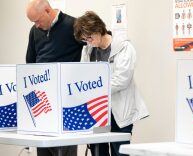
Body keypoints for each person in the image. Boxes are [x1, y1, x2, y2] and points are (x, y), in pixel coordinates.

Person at [73, 11, 149, 156]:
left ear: (98, 29)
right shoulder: (88, 50)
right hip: (98, 111)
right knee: (98, 152)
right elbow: (83, 75)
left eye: (89, 37)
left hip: (120, 110)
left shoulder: (124, 47)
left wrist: (94, 90)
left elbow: (121, 81)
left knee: (119, 152)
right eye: (85, 39)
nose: (88, 42)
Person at [25, 0, 83, 156]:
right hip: (41, 102)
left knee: (65, 151)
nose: (36, 25)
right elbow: (30, 63)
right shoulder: (34, 31)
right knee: (43, 150)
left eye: (37, 20)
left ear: (47, 10)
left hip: (65, 103)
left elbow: (97, 41)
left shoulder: (74, 25)